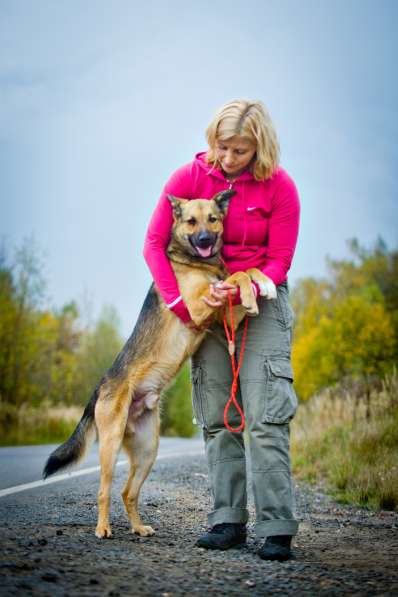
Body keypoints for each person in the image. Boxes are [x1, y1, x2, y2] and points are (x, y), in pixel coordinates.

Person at [143, 99, 300, 561]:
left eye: (240, 150)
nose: (227, 159)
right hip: (200, 306)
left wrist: (238, 292)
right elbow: (154, 243)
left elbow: (280, 260)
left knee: (267, 415)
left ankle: (276, 527)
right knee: (217, 413)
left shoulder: (280, 187)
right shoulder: (187, 179)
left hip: (260, 301)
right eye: (221, 147)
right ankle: (227, 520)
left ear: (260, 147)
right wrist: (177, 302)